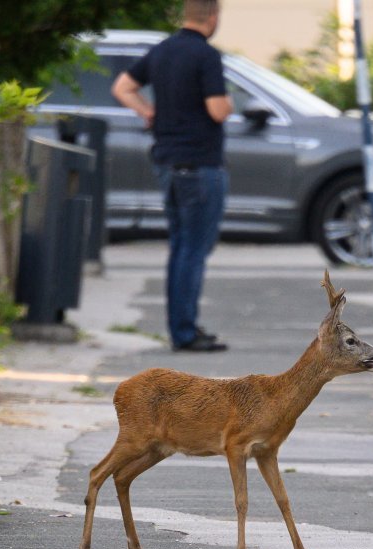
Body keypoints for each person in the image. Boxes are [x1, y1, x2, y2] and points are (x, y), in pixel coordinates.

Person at [112, 0, 233, 352]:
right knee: (195, 249)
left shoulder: (162, 51)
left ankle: (181, 326)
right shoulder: (206, 56)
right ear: (213, 17)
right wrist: (229, 105)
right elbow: (217, 109)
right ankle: (185, 331)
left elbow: (122, 87)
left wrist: (148, 112)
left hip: (167, 162)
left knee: (181, 246)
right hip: (200, 163)